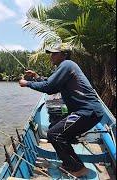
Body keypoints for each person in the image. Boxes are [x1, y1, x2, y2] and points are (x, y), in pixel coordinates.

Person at [18, 43, 104, 177]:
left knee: (54, 134)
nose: (51, 56)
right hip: (86, 112)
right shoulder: (65, 67)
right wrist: (36, 76)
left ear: (64, 55)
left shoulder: (67, 64)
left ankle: (78, 168)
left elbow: (48, 87)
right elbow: (53, 86)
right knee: (54, 127)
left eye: (54, 53)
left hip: (87, 111)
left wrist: (27, 83)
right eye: (51, 53)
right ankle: (69, 162)